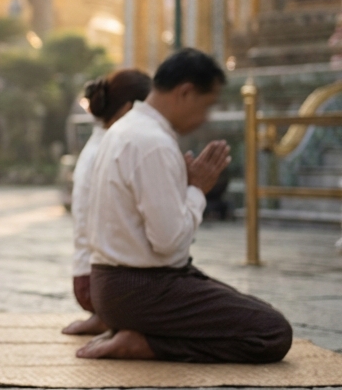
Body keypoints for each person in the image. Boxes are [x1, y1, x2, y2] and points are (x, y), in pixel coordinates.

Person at [78, 48, 293, 363]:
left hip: (112, 288)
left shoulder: (125, 129)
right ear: (186, 92)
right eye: (206, 106)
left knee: (250, 310)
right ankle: (147, 345)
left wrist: (185, 187)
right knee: (271, 332)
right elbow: (169, 244)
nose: (206, 117)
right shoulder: (152, 143)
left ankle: (142, 333)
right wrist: (197, 190)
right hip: (142, 290)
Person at [62, 68, 152, 336]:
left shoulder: (99, 145)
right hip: (104, 286)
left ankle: (106, 318)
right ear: (127, 110)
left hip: (88, 283)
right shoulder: (115, 148)